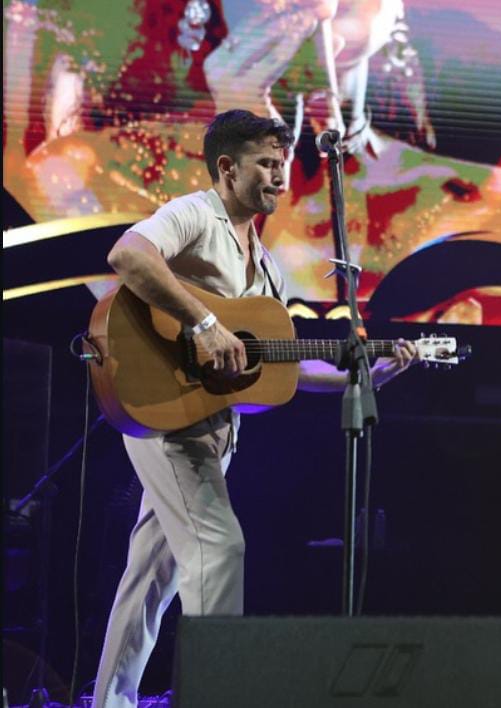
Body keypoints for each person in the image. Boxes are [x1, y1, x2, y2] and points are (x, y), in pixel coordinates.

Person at [91, 109, 418, 708]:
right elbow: (128, 255)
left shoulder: (265, 265)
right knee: (220, 550)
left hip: (212, 425)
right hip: (166, 412)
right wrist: (205, 323)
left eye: (282, 164)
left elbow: (279, 365)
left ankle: (111, 701)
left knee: (153, 575)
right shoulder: (195, 213)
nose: (279, 176)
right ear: (227, 167)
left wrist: (368, 373)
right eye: (266, 164)